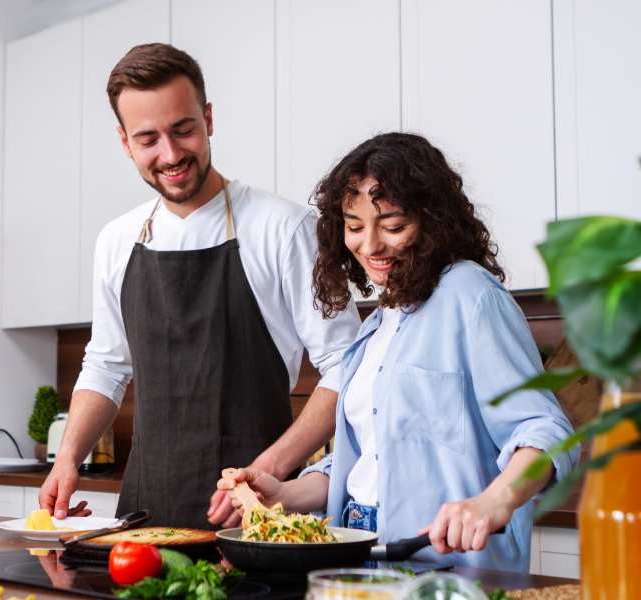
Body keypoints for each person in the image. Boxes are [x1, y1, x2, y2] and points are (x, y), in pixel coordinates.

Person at [217, 132, 578, 572]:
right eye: (354, 227)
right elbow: (374, 456)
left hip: (447, 566)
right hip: (360, 552)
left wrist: (493, 501)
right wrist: (286, 493)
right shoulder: (376, 325)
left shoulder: (471, 296)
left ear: (432, 221)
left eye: (392, 226)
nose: (369, 246)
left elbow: (545, 429)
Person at [38, 43, 361, 529]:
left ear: (208, 118)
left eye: (183, 129)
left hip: (258, 516)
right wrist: (67, 459)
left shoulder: (288, 229)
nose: (170, 154)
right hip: (144, 520)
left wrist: (268, 469)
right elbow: (106, 365)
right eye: (148, 139)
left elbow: (348, 366)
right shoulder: (116, 240)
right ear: (124, 142)